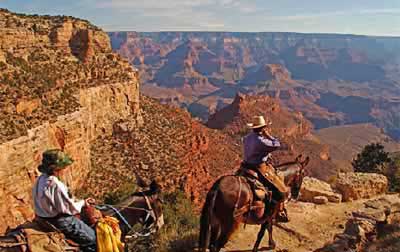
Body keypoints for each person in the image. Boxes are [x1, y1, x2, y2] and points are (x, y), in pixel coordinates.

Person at [32, 149, 96, 252]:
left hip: (42, 219)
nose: (65, 169)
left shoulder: (40, 179)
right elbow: (69, 209)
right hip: (60, 221)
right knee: (92, 238)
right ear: (57, 169)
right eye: (63, 167)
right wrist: (83, 203)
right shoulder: (56, 185)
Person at [242, 115, 289, 222]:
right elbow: (277, 144)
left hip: (245, 165)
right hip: (259, 167)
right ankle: (277, 212)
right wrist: (268, 135)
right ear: (263, 128)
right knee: (281, 190)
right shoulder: (262, 141)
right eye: (264, 128)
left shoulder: (246, 138)